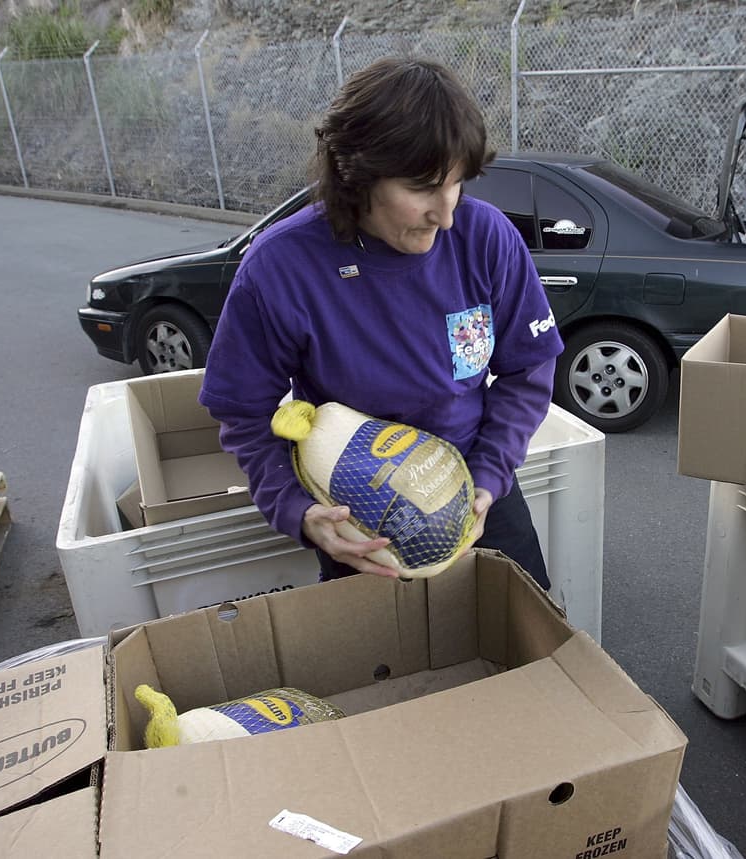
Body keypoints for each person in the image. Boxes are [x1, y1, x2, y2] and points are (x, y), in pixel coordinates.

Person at [198, 56, 564, 588]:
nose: (447, 214)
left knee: (527, 650)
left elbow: (528, 372)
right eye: (422, 188)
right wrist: (298, 511)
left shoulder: (487, 238)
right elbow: (243, 413)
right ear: (356, 173)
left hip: (475, 483)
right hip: (358, 511)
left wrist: (488, 476)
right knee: (383, 667)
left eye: (457, 183)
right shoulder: (279, 267)